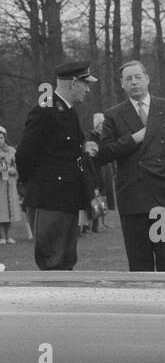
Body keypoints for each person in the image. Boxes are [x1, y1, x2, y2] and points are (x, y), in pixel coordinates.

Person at [91, 58, 165, 271]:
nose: (134, 82)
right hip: (134, 199)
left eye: (138, 77)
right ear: (122, 84)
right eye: (128, 79)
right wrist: (134, 139)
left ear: (147, 79)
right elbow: (104, 154)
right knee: (140, 268)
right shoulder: (113, 115)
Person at [14, 60, 99, 270]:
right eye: (85, 84)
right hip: (49, 200)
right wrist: (37, 187)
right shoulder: (46, 111)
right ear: (73, 83)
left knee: (66, 261)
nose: (87, 90)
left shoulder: (68, 112)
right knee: (52, 262)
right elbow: (24, 155)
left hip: (66, 199)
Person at [0, 124, 28, 243]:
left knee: (10, 209)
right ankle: (2, 236)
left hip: (10, 184)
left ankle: (9, 235)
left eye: (1, 138)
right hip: (0, 184)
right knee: (1, 210)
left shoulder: (11, 151)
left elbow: (18, 167)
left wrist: (13, 170)